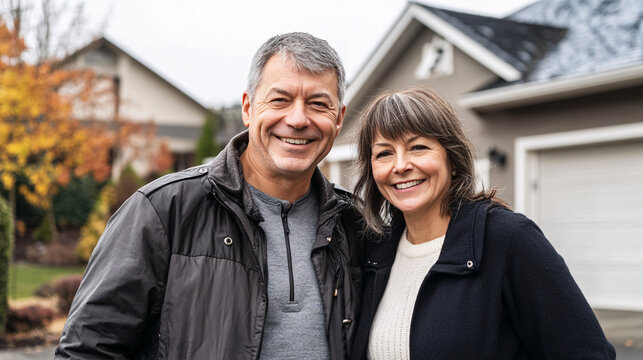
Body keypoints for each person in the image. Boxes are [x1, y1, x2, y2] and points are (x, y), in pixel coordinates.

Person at [55, 32, 364, 360]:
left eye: (317, 104)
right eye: (280, 100)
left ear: (339, 118)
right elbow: (88, 350)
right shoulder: (163, 211)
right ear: (248, 108)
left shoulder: (354, 224)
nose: (298, 119)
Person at [350, 87, 616, 359]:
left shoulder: (508, 239)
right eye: (384, 153)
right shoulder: (374, 253)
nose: (401, 165)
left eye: (418, 147)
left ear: (451, 158)